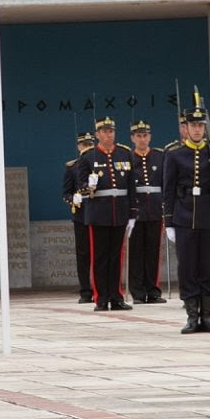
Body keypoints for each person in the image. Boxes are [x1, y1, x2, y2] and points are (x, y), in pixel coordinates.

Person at [162, 103, 210, 333]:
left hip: (208, 216)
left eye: (200, 125)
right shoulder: (175, 155)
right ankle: (192, 316)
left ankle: (207, 315)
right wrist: (169, 222)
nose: (196, 130)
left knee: (207, 266)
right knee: (187, 267)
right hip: (184, 217)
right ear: (186, 127)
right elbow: (168, 189)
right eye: (193, 125)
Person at [77, 116, 136, 311]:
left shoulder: (125, 153)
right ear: (97, 134)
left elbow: (130, 186)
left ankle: (116, 296)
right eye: (104, 131)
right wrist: (89, 186)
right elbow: (80, 186)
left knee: (116, 257)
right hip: (99, 213)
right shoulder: (88, 156)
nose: (108, 134)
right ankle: (101, 297)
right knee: (100, 257)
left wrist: (132, 213)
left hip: (119, 211)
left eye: (111, 131)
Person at [127, 118, 166, 303]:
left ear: (150, 137)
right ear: (133, 138)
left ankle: (153, 290)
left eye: (145, 135)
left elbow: (166, 182)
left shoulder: (160, 156)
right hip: (137, 210)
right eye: (138, 136)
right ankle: (138, 292)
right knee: (136, 252)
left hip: (155, 209)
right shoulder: (128, 157)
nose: (142, 139)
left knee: (153, 252)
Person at [62, 131, 96, 303]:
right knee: (83, 254)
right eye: (84, 145)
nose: (87, 148)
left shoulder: (99, 163)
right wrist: (73, 199)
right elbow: (65, 193)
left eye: (90, 144)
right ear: (78, 146)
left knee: (100, 253)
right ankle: (85, 291)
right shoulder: (72, 167)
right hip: (81, 214)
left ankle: (100, 289)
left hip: (98, 212)